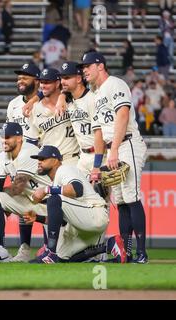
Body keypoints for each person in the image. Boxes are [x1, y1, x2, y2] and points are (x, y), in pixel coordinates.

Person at [81, 51, 149, 263]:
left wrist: (116, 149)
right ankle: (126, 253)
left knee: (132, 197)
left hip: (127, 143)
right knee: (120, 202)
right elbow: (99, 133)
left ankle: (142, 253)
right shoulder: (97, 95)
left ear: (100, 66)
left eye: (87, 66)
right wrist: (97, 165)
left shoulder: (115, 84)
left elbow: (123, 114)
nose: (84, 71)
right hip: (114, 148)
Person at [25, 145, 126, 264]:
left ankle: (50, 254)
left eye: (43, 159)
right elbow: (61, 221)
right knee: (62, 258)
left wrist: (46, 190)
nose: (39, 162)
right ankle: (108, 246)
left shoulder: (64, 169)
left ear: (56, 160)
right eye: (38, 159)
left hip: (94, 213)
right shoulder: (57, 182)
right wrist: (37, 218)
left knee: (54, 199)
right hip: (82, 223)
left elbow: (78, 189)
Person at [0, 123, 52, 263]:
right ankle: (3, 249)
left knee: (62, 253)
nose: (3, 140)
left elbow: (17, 188)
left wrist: (6, 197)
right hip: (31, 199)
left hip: (51, 204)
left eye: (8, 137)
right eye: (2, 137)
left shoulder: (28, 152)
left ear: (19, 138)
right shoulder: (3, 157)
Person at [59, 61, 100, 178]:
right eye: (61, 78)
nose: (62, 82)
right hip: (83, 157)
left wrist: (97, 165)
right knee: (81, 194)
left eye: (66, 78)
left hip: (98, 155)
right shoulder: (69, 100)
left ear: (78, 79)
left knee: (102, 194)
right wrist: (61, 97)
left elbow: (99, 133)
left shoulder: (92, 99)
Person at [31, 68, 80, 164]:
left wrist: (63, 96)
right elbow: (33, 140)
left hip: (71, 159)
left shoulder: (72, 102)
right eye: (41, 82)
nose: (43, 86)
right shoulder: (35, 109)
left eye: (47, 82)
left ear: (58, 84)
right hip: (48, 161)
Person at [7, 62, 41, 145]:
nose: (20, 81)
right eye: (19, 79)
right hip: (21, 153)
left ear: (37, 81)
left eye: (25, 78)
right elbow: (9, 131)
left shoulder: (46, 101)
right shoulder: (13, 104)